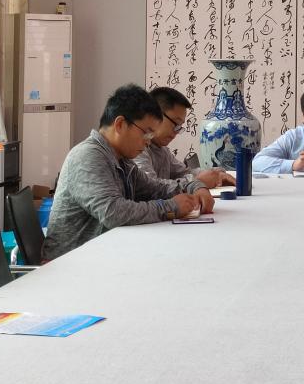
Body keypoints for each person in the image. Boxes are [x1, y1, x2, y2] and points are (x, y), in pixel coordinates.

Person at [43, 84, 215, 261]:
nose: (148, 142)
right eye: (146, 134)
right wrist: (171, 207)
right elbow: (113, 212)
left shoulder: (122, 160)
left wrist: (194, 186)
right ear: (120, 124)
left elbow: (155, 188)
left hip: (103, 255)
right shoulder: (87, 156)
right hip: (70, 263)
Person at [134, 86, 235, 189]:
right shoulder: (137, 149)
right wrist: (196, 182)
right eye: (175, 123)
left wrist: (215, 174)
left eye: (180, 126)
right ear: (155, 115)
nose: (176, 132)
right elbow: (150, 187)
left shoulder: (163, 150)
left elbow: (184, 172)